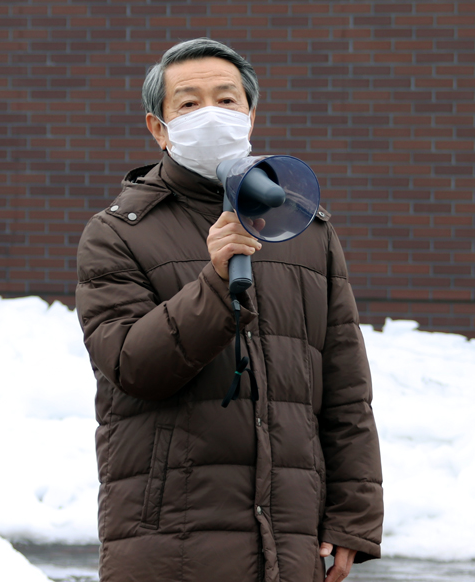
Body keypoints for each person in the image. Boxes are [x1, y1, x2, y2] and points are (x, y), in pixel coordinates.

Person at [75, 39, 383, 582]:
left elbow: (345, 389)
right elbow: (132, 366)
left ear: (251, 114)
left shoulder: (306, 229)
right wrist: (216, 284)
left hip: (291, 542)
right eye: (189, 104)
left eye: (227, 99)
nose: (211, 114)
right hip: (167, 542)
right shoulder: (117, 234)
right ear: (158, 127)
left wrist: (351, 519)